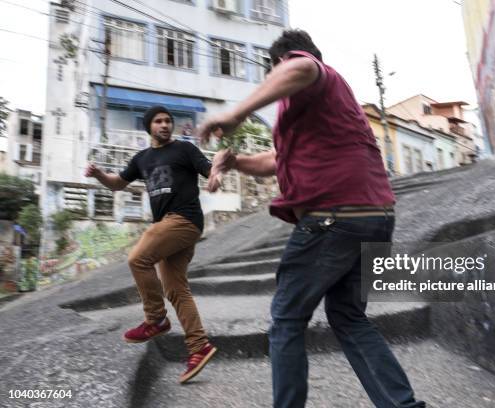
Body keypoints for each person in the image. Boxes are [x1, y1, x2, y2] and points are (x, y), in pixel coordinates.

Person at [198, 30, 425, 408]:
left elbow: (301, 67)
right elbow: (274, 161)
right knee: (348, 317)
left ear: (281, 62)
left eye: (276, 70)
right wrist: (235, 161)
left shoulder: (311, 71)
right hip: (373, 217)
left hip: (333, 219)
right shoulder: (318, 110)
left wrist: (236, 112)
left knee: (287, 317)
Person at [85, 106, 217, 384]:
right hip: (168, 225)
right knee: (176, 289)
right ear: (149, 127)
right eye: (159, 121)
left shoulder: (184, 150)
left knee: (137, 258)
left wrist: (216, 176)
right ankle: (199, 346)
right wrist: (98, 174)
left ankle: (155, 319)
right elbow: (118, 184)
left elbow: (209, 169)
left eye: (168, 120)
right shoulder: (141, 158)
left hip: (183, 219)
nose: (165, 125)